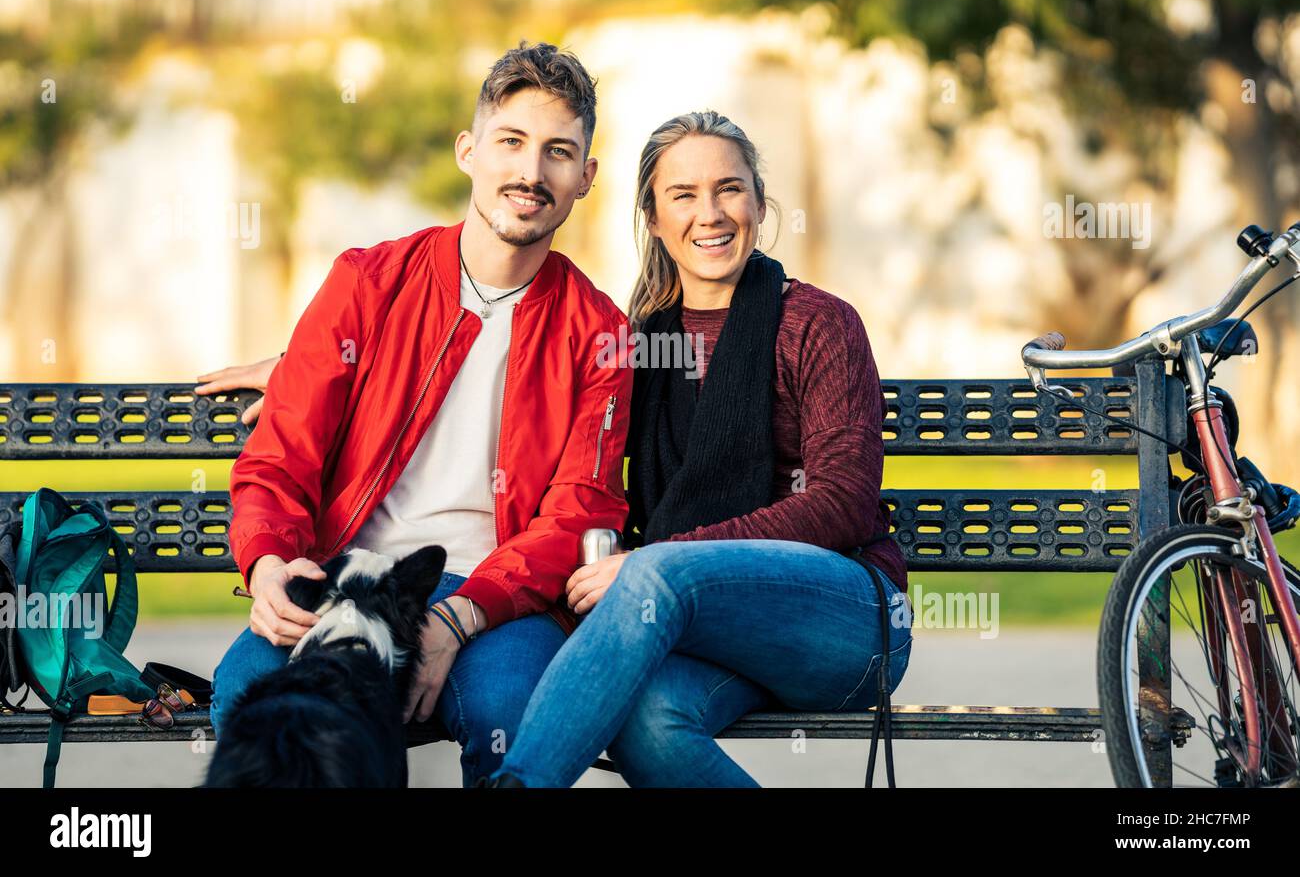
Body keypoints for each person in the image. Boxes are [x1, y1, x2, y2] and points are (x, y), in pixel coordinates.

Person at [201, 41, 633, 788]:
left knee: (512, 714)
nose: (531, 173)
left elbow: (577, 514)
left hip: (494, 598)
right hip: (350, 580)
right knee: (251, 698)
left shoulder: (600, 333)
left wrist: (456, 619)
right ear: (469, 151)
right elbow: (280, 456)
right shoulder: (367, 283)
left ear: (585, 178)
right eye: (511, 143)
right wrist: (269, 562)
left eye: (558, 153)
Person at [479, 110, 913, 787]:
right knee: (645, 721)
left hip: (845, 622)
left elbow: (845, 502)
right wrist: (313, 363)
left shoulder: (817, 323)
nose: (709, 214)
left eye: (729, 190)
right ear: (653, 218)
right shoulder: (638, 345)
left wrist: (665, 559)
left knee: (653, 570)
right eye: (683, 195)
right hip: (707, 631)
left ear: (760, 205)